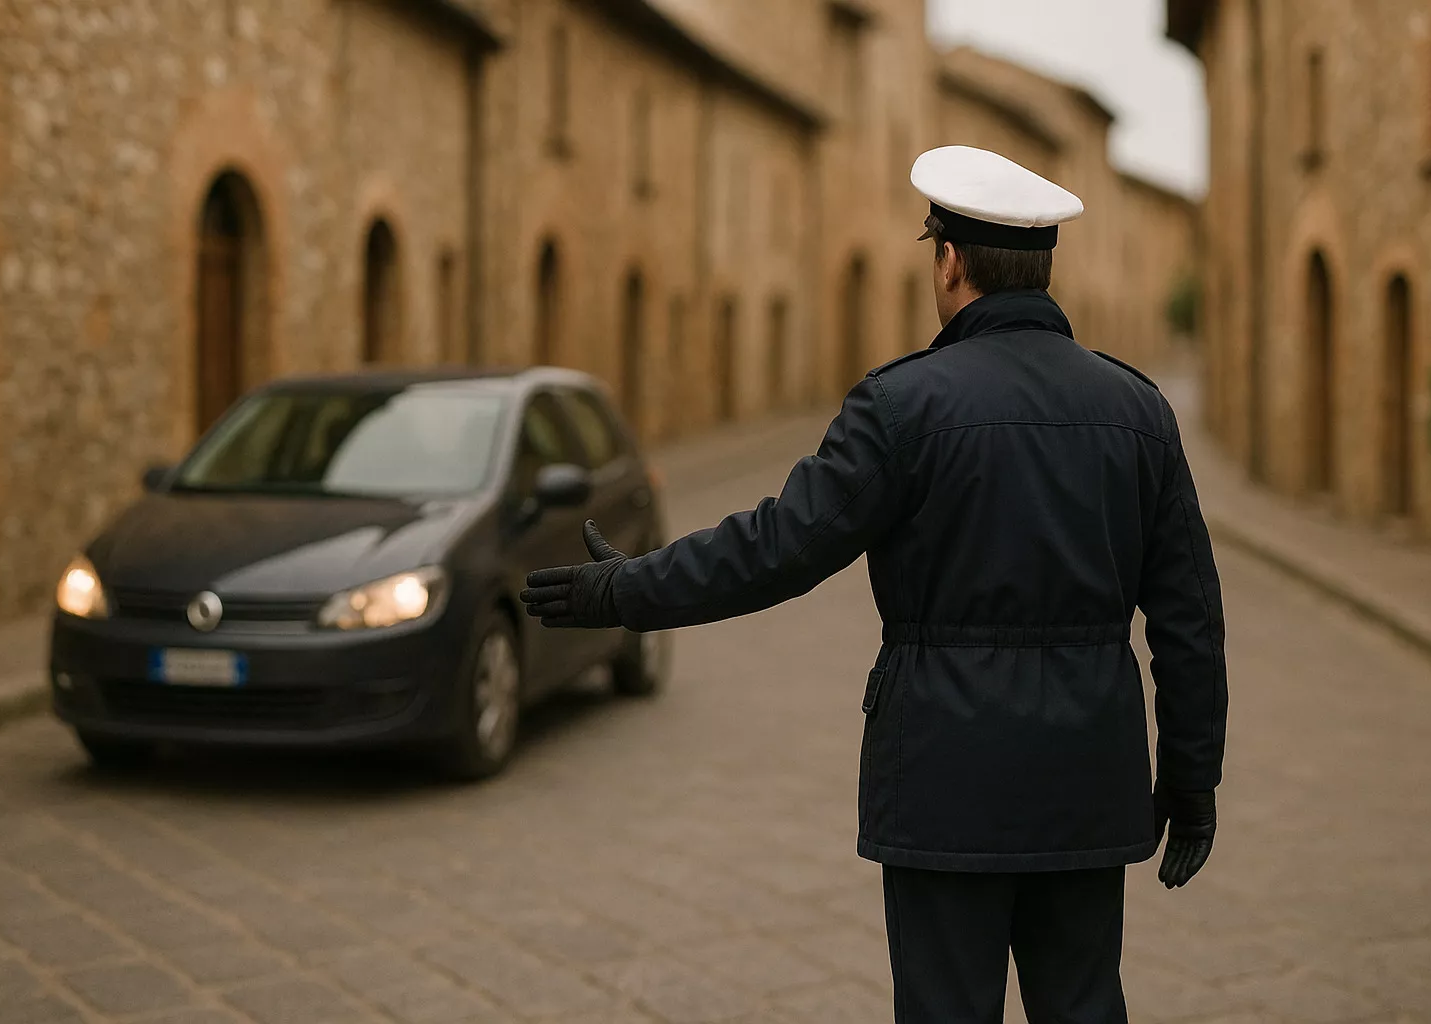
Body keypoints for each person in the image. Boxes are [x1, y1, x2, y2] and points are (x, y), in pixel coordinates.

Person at [520, 145, 1227, 1023]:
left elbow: (777, 548)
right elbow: (1190, 619)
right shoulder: (1138, 411)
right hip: (1088, 782)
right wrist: (1192, 782)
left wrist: (622, 592)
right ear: (1041, 270)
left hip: (942, 780)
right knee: (1083, 1008)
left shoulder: (903, 407)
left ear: (950, 262)